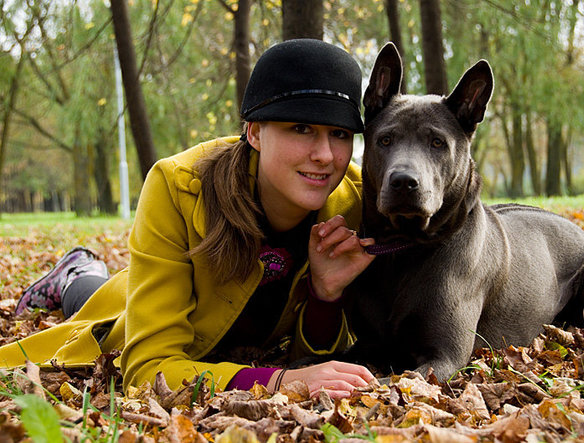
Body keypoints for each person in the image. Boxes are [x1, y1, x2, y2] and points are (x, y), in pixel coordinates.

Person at [1, 39, 377, 399]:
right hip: (132, 307)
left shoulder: (356, 201)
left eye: (340, 134)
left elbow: (315, 352)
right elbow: (148, 369)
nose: (325, 155)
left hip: (239, 340)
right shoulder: (179, 187)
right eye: (301, 128)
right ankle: (73, 272)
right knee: (96, 299)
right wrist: (280, 382)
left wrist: (325, 295)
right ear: (255, 132)